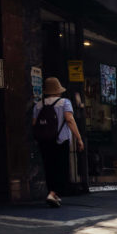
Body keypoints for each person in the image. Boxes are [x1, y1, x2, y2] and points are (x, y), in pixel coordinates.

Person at [32, 76, 83, 207]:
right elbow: (70, 120)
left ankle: (52, 193)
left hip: (44, 141)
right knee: (61, 167)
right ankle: (53, 193)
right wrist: (79, 138)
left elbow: (34, 124)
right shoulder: (64, 102)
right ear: (58, 90)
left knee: (49, 167)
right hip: (60, 140)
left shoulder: (38, 105)